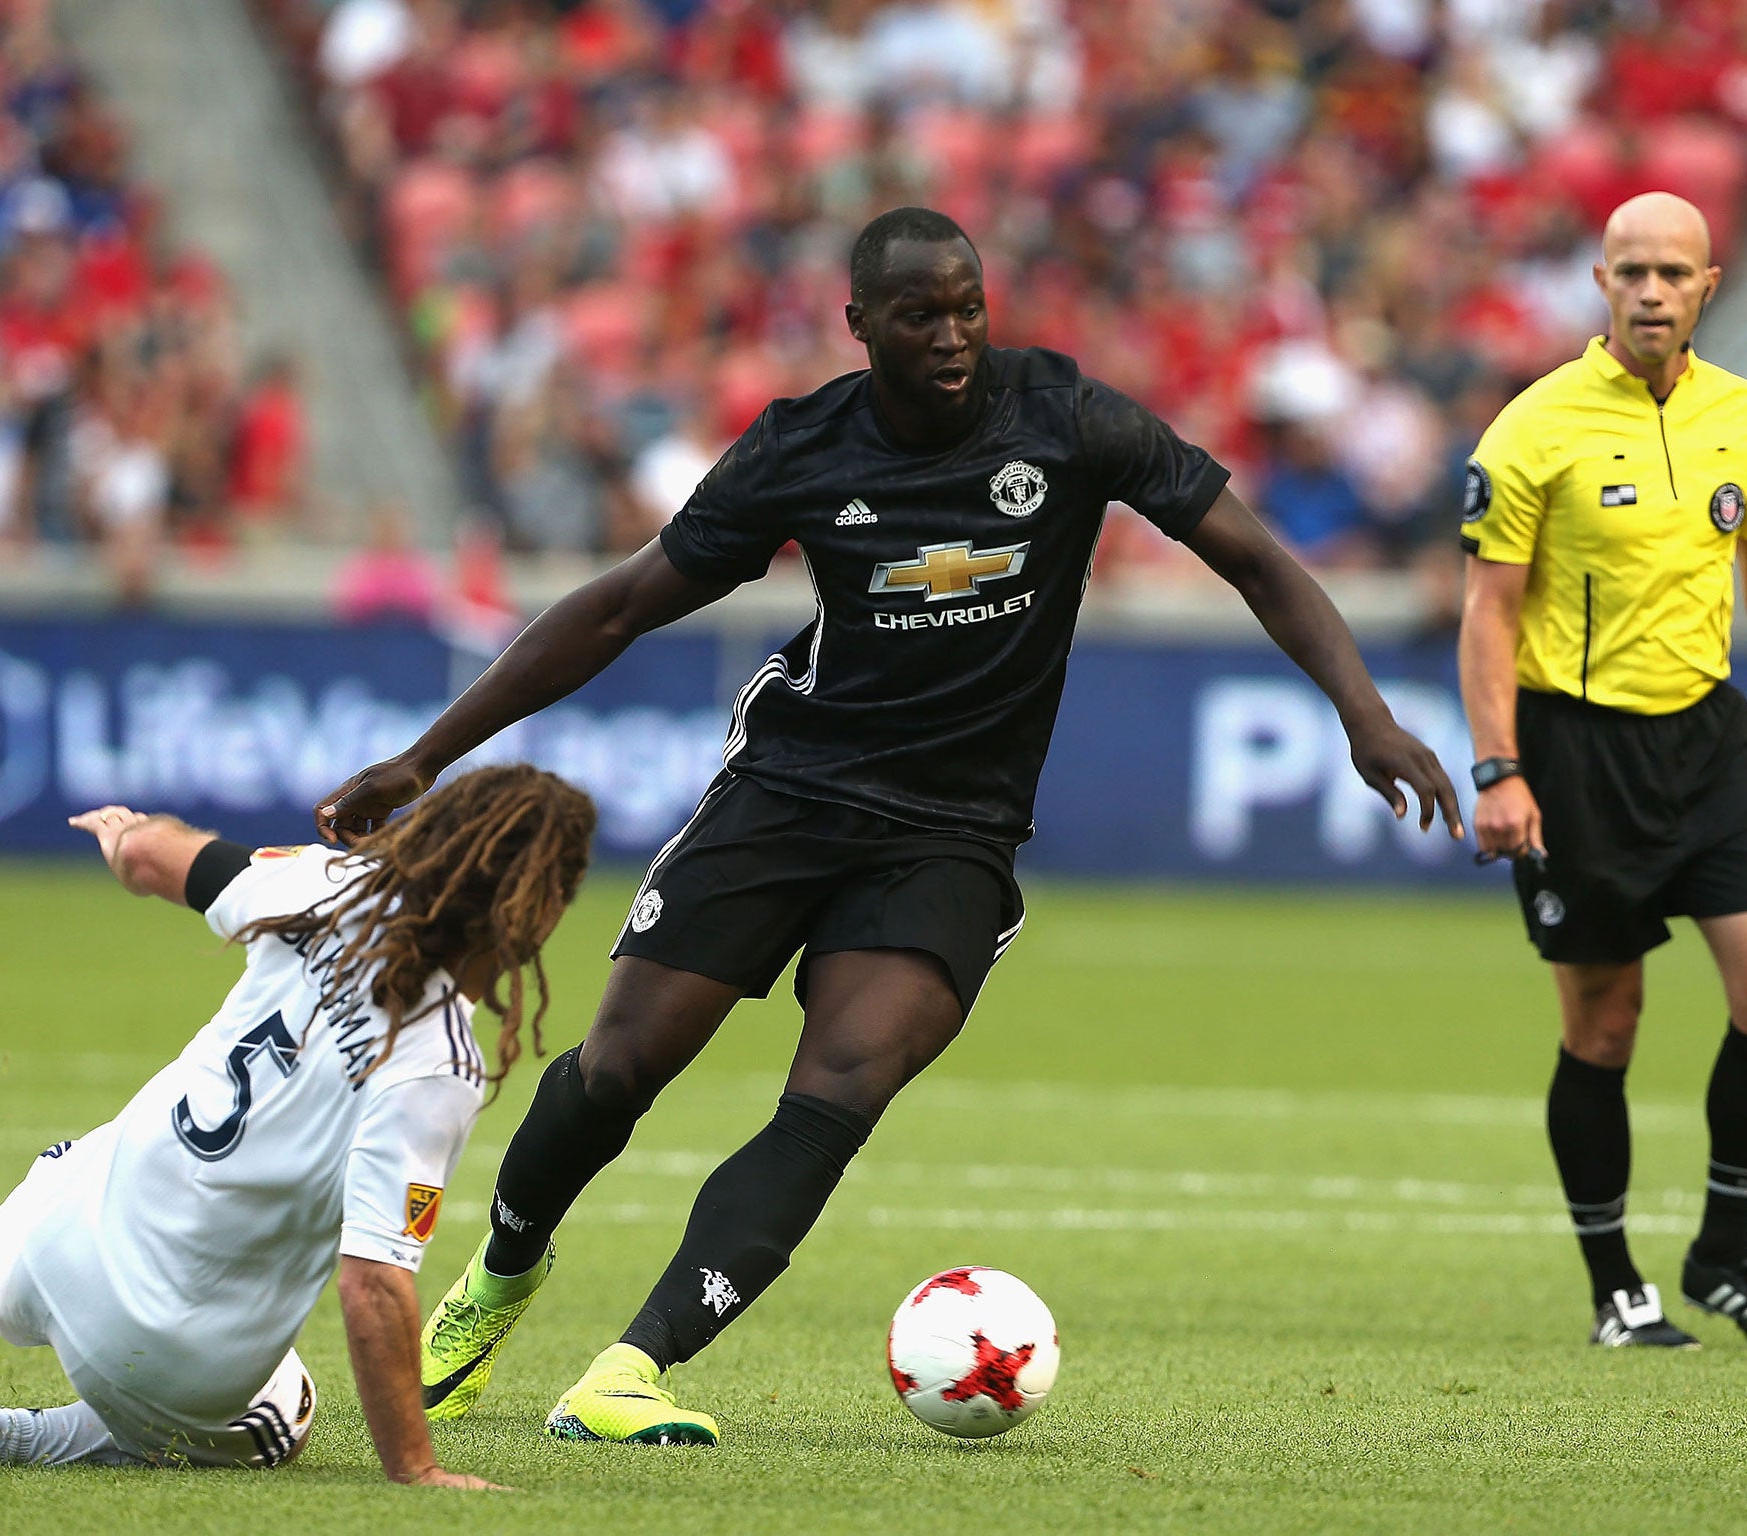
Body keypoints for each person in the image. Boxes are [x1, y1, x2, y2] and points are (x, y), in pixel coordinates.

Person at [316, 206, 1463, 1445]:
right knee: (619, 1069)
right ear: (860, 326)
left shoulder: (1071, 421)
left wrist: (1364, 712)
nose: (954, 334)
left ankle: (631, 1367)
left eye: (968, 306)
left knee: (842, 1087)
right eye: (921, 314)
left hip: (953, 834)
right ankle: (503, 1274)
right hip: (789, 793)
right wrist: (427, 756)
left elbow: (1254, 558)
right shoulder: (800, 449)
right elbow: (619, 606)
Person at [0, 765, 594, 1485]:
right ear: (535, 906)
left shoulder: (321, 884)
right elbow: (372, 1282)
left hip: (68, 1236)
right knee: (283, 1417)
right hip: (166, 1347)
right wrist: (414, 1469)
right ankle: (0, 1433)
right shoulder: (438, 1061)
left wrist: (124, 832)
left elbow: (149, 855)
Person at [1459, 190, 1747, 1350]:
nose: (1649, 291)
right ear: (1600, 284)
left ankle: (1723, 1256)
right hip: (1575, 752)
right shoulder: (1530, 429)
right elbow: (1487, 617)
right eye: (1628, 271)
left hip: (1708, 733)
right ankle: (1614, 1289)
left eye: (1672, 273)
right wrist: (1498, 767)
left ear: (1706, 286)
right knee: (1603, 1026)